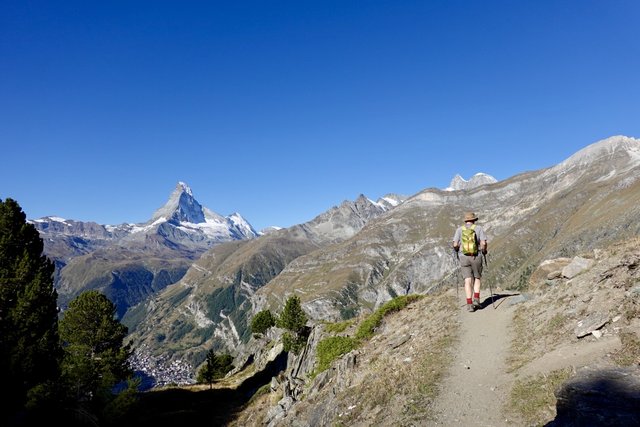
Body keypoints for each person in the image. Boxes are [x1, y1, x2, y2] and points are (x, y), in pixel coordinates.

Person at [452, 212, 488, 312]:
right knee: (477, 277)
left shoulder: (460, 230)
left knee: (467, 280)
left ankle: (469, 304)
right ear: (474, 220)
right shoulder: (478, 228)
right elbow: (483, 243)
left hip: (463, 257)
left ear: (465, 220)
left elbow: (455, 244)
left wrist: (457, 250)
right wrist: (484, 250)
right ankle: (476, 299)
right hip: (476, 256)